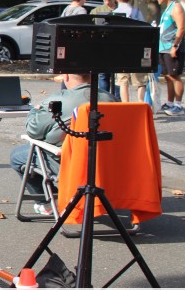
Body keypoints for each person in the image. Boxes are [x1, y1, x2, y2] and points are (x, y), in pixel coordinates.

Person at [10, 73, 117, 214]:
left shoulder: (58, 100)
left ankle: (48, 202)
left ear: (66, 76)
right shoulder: (111, 99)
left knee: (17, 155)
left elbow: (33, 131)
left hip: (69, 162)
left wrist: (34, 111)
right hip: (107, 163)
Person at [155, 0, 185, 116]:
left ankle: (178, 106)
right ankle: (169, 103)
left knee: (175, 76)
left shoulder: (176, 7)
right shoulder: (167, 8)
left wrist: (175, 46)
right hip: (163, 48)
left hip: (172, 48)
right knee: (168, 76)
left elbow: (181, 28)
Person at [112, 0, 148, 103]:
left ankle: (125, 104)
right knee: (140, 81)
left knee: (123, 81)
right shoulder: (137, 12)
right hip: (137, 50)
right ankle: (140, 103)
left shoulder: (114, 13)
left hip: (120, 51)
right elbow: (145, 30)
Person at [90, 0, 119, 93]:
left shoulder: (120, 9)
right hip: (102, 48)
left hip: (117, 48)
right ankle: (104, 98)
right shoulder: (96, 11)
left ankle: (117, 99)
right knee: (103, 76)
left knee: (118, 77)